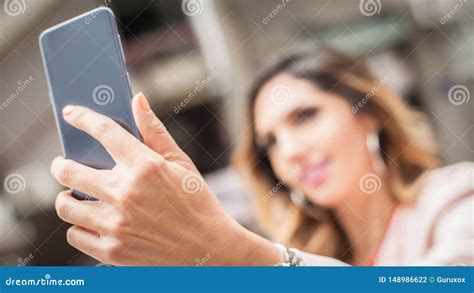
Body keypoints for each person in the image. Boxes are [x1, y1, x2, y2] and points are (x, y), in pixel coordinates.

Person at [50, 47, 473, 266]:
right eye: (270, 142)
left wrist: (233, 252)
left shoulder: (456, 199)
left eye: (305, 116)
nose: (290, 152)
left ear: (368, 116)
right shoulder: (302, 252)